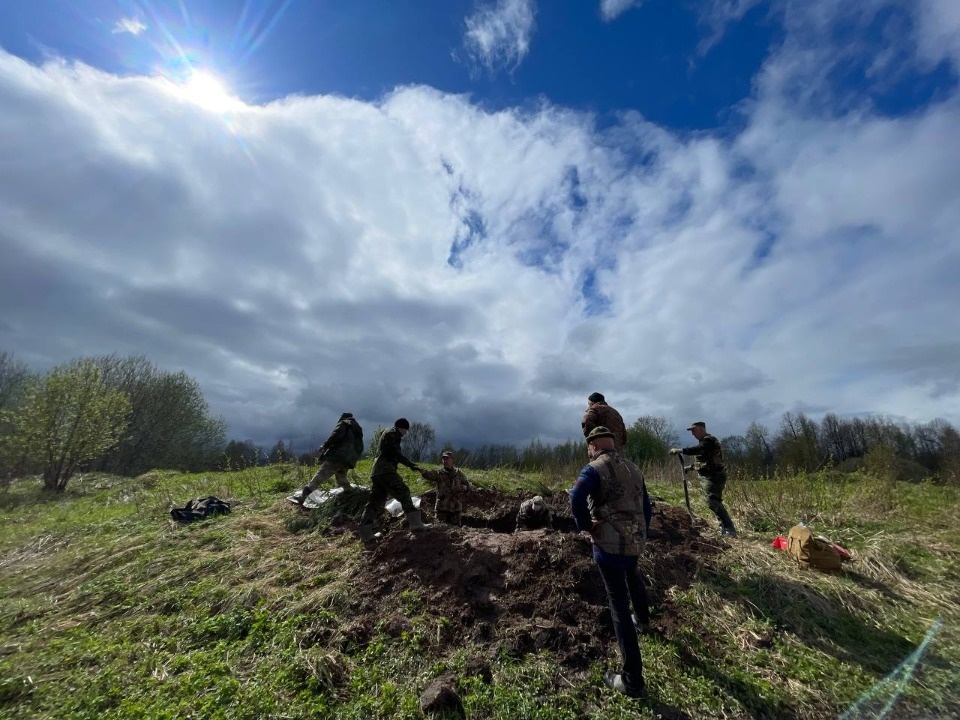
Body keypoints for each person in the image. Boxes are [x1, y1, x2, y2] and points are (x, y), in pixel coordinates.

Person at [569, 426, 652, 699]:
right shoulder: (633, 468)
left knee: (617, 603)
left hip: (608, 545)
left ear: (593, 445)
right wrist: (641, 533)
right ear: (613, 444)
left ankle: (632, 680)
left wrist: (586, 526)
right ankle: (643, 618)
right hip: (634, 542)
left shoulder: (594, 468)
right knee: (633, 574)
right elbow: (646, 507)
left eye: (588, 446)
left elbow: (576, 496)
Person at [357, 418, 429, 548]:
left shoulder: (387, 433)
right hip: (386, 471)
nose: (405, 433)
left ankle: (365, 533)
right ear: (402, 428)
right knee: (404, 491)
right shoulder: (392, 433)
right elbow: (396, 455)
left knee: (375, 501)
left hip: (377, 472)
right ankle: (416, 524)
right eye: (405, 430)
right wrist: (413, 466)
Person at [669, 421, 737, 537]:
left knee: (712, 501)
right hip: (709, 475)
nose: (692, 434)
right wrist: (689, 468)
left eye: (694, 431)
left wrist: (680, 450)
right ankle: (724, 528)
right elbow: (703, 462)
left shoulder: (709, 441)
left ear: (701, 429)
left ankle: (729, 529)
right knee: (713, 501)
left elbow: (698, 449)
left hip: (715, 476)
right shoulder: (703, 443)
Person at [296, 412, 364, 507]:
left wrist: (324, 445)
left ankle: (304, 495)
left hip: (337, 457)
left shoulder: (344, 423)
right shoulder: (357, 429)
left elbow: (336, 435)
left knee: (322, 474)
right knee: (341, 477)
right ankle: (352, 495)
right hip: (349, 459)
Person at [419, 451, 470, 525]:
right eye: (443, 459)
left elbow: (467, 486)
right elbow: (430, 475)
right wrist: (423, 472)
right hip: (442, 508)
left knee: (457, 531)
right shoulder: (439, 473)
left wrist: (464, 487)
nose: (445, 461)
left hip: (456, 509)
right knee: (440, 529)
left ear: (452, 460)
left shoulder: (458, 474)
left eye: (447, 459)